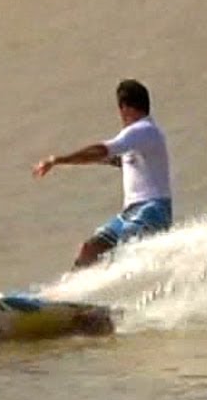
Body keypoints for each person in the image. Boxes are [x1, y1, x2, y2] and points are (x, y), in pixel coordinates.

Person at [32, 79, 174, 269]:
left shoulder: (143, 130)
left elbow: (102, 150)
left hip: (152, 211)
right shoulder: (141, 138)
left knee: (129, 245)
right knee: (90, 249)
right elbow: (109, 159)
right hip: (130, 212)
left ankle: (133, 290)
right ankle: (70, 293)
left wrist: (57, 160)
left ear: (124, 107)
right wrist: (71, 161)